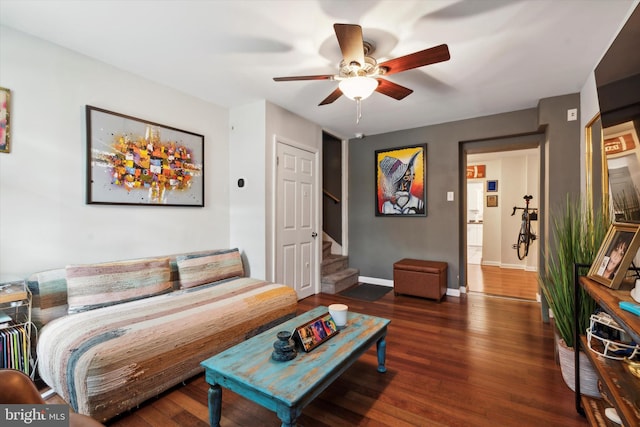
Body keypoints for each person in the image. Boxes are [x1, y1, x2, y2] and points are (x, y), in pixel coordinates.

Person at [379, 150, 424, 214]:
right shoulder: (386, 207)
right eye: (399, 181)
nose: (404, 185)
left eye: (406, 178)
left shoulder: (418, 203)